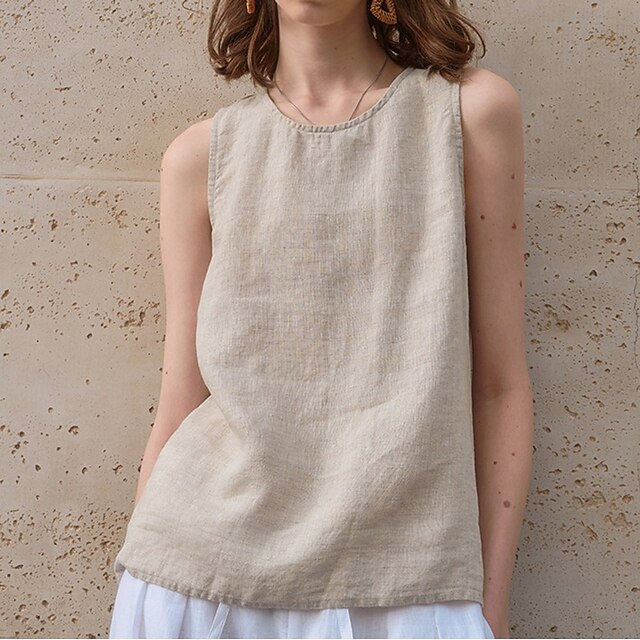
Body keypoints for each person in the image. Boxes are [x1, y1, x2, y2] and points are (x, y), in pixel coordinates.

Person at [109, 0, 534, 638]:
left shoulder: (467, 112)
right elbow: (180, 395)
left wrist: (489, 608)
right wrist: (137, 572)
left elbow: (500, 384)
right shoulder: (202, 156)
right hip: (201, 578)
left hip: (410, 580)